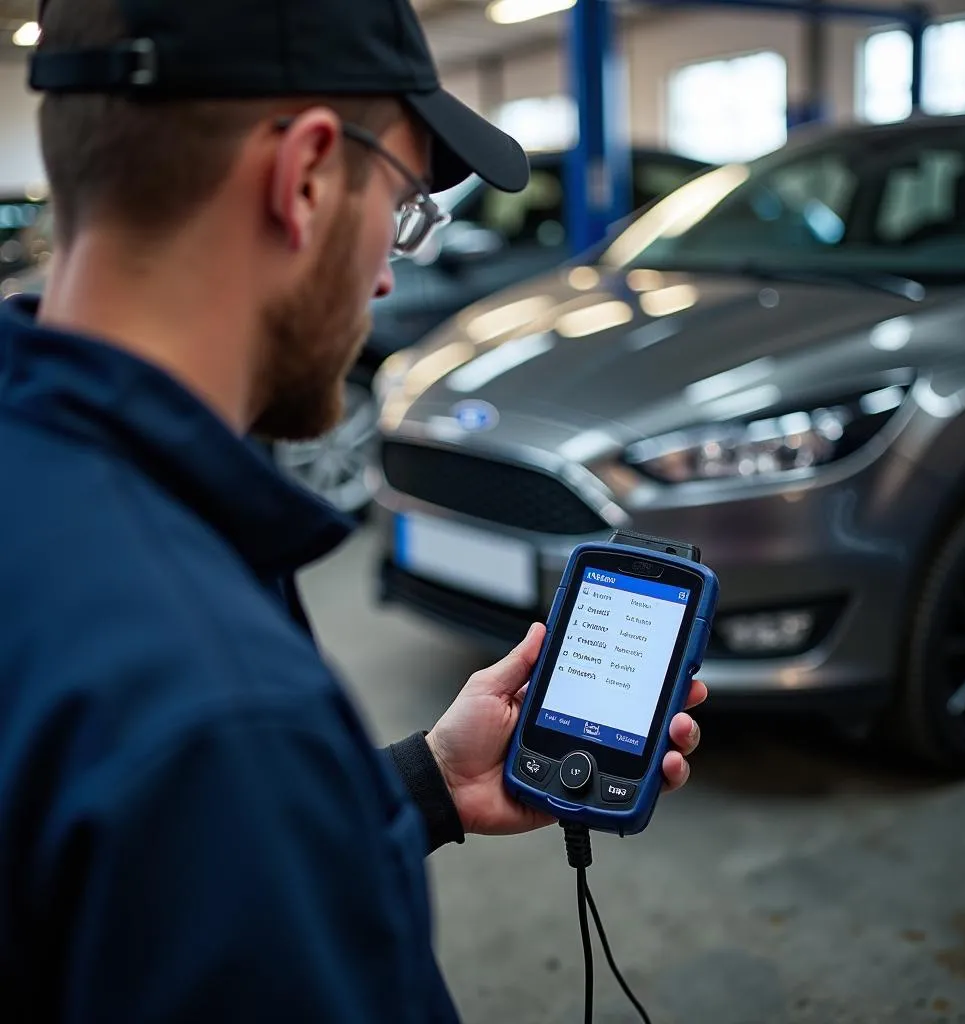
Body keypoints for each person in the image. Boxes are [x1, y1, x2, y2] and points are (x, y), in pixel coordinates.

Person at [0, 0, 707, 1020]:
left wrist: (425, 784)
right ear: (305, 178)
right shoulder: (222, 712)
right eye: (403, 206)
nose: (384, 271)